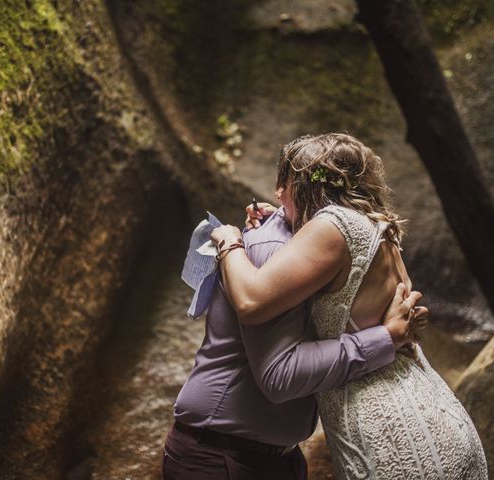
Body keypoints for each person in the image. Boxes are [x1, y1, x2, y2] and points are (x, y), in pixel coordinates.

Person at [211, 133, 488, 479]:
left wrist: (230, 241)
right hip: (436, 414)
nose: (277, 195)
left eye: (283, 184)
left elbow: (251, 301)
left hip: (392, 432)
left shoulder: (332, 227)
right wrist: (280, 222)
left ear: (301, 184)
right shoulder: (378, 228)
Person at [163, 167, 427, 477]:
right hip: (220, 453)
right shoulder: (270, 248)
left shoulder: (326, 243)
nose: (324, 198)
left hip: (278, 456)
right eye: (311, 185)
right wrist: (386, 338)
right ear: (281, 189)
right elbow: (280, 375)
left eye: (337, 188)